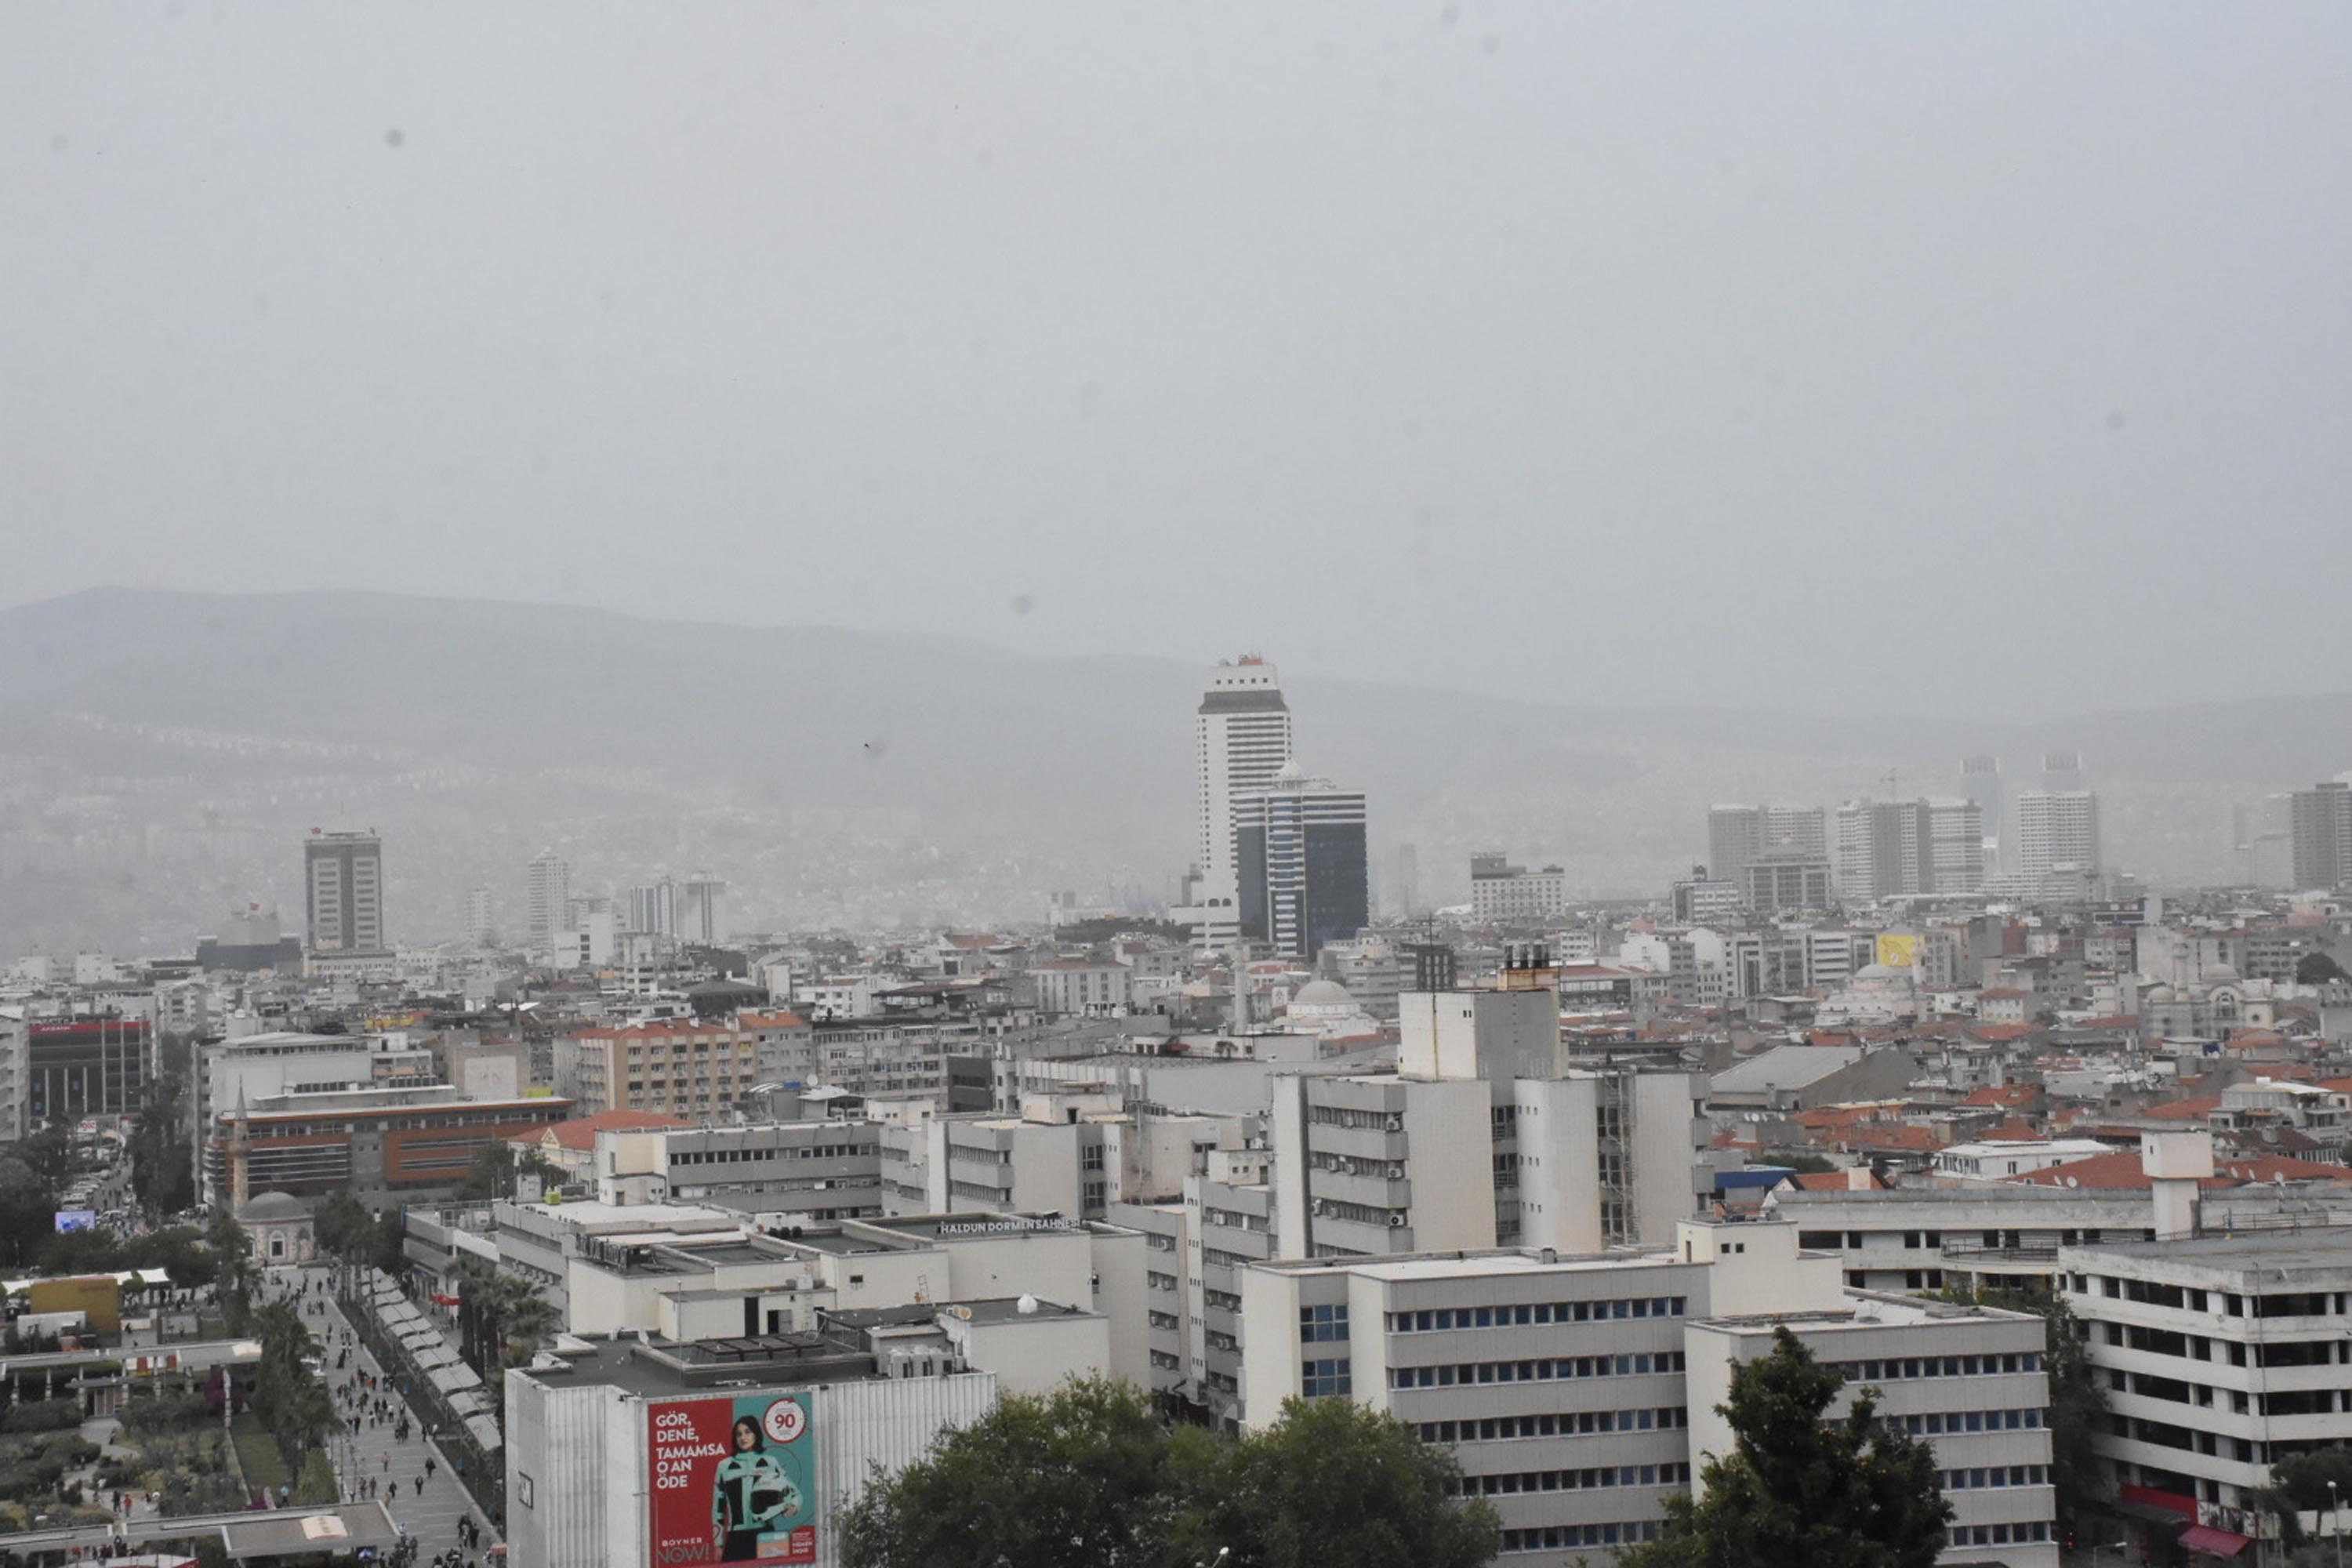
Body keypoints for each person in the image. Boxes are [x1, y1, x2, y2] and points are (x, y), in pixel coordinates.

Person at [711, 1416, 800, 1563]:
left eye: (748, 1432)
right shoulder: (724, 1466)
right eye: (739, 1434)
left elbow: (795, 1494)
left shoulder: (770, 1462)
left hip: (766, 1535)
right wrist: (718, 1545)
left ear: (756, 1434)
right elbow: (718, 1509)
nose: (743, 1437)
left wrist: (793, 1507)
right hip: (736, 1538)